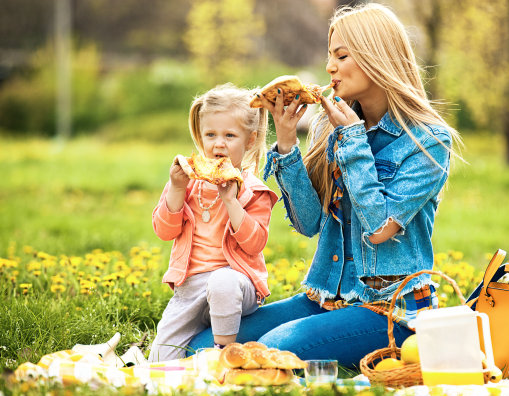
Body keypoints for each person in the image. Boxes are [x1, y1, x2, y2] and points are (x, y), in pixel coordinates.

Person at [188, 2, 463, 367]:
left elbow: (380, 228)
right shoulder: (333, 126)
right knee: (205, 345)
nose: (330, 66)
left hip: (391, 309)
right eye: (329, 56)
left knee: (275, 348)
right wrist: (286, 144)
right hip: (327, 297)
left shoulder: (428, 142)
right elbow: (309, 224)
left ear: (376, 57)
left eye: (342, 55)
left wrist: (352, 139)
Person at [148, 84, 278, 362]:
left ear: (250, 140)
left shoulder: (253, 190)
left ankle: (223, 354)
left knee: (222, 281)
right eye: (211, 135)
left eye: (229, 135)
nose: (219, 143)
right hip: (190, 288)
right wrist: (176, 189)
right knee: (159, 361)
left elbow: (255, 243)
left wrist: (232, 202)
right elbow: (163, 230)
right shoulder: (187, 185)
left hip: (236, 285)